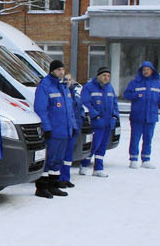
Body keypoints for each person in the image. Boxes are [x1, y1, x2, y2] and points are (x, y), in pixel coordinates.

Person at [32, 60, 73, 198]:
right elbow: (41, 109)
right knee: (48, 159)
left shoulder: (63, 87)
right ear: (52, 71)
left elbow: (69, 110)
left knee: (58, 160)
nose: (61, 72)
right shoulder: (45, 86)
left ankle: (54, 185)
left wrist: (72, 126)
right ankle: (42, 187)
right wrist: (47, 128)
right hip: (54, 131)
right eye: (58, 70)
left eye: (63, 69)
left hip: (64, 130)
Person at [123, 60, 160, 168]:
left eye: (148, 69)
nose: (146, 71)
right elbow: (127, 94)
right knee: (135, 138)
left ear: (152, 71)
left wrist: (158, 98)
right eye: (144, 70)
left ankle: (146, 159)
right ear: (141, 71)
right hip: (137, 115)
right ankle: (133, 159)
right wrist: (137, 95)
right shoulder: (135, 82)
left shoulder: (158, 83)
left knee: (148, 138)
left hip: (151, 116)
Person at [78, 66, 119, 177]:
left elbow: (115, 103)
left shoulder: (110, 88)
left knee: (103, 146)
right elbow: (86, 103)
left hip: (108, 123)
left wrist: (115, 116)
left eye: (108, 76)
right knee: (94, 145)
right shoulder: (89, 87)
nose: (106, 78)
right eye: (104, 75)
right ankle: (84, 164)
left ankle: (98, 168)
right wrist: (95, 116)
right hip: (96, 123)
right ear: (98, 76)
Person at [60, 72, 83, 188]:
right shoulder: (62, 92)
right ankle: (60, 178)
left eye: (69, 80)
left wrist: (81, 120)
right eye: (65, 79)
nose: (67, 82)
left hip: (74, 128)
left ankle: (66, 177)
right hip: (65, 128)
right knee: (62, 154)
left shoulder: (75, 93)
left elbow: (80, 109)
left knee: (69, 156)